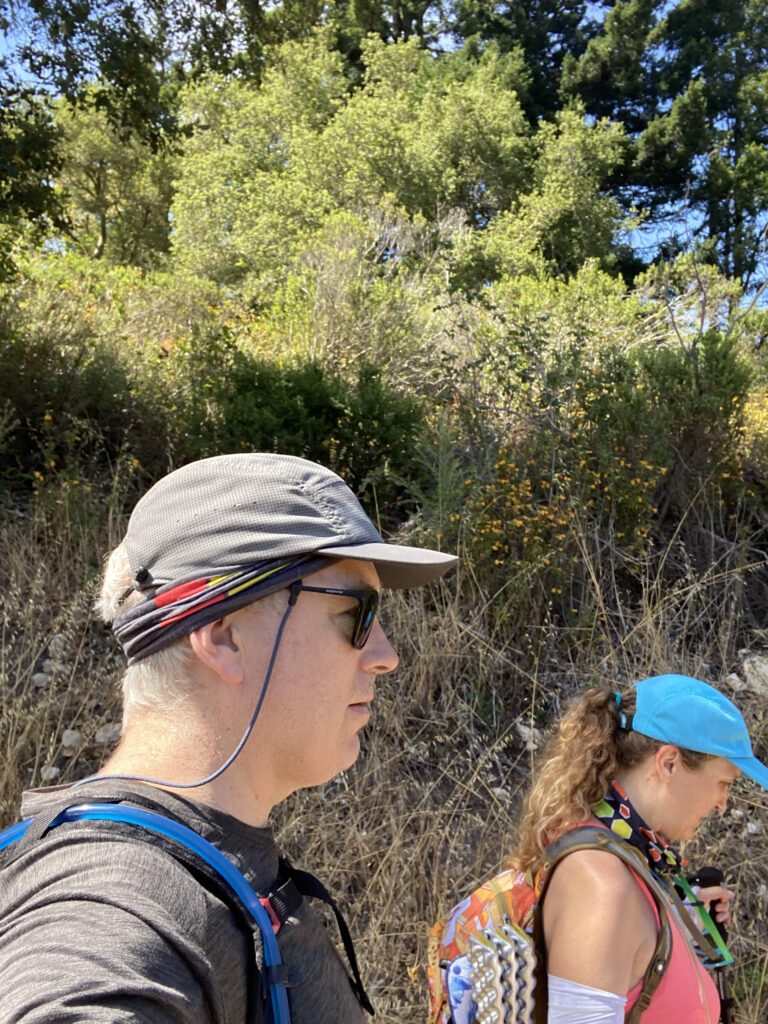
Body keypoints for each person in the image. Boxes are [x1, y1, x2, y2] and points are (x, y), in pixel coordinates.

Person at [0, 452, 457, 1023]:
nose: (386, 656)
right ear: (222, 637)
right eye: (357, 613)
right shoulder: (114, 901)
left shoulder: (211, 866)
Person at [511, 674, 768, 1023]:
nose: (722, 803)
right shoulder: (601, 885)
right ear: (669, 763)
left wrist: (680, 927)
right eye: (723, 783)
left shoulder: (629, 858)